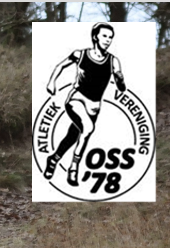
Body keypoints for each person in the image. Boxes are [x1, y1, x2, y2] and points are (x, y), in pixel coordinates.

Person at [43, 22, 126, 186]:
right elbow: (60, 65)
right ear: (95, 37)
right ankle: (73, 168)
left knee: (72, 136)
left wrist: (120, 79)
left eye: (110, 37)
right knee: (88, 129)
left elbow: (121, 88)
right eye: (104, 36)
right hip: (77, 99)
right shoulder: (80, 54)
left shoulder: (113, 61)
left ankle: (53, 159)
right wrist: (52, 82)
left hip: (94, 107)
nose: (108, 40)